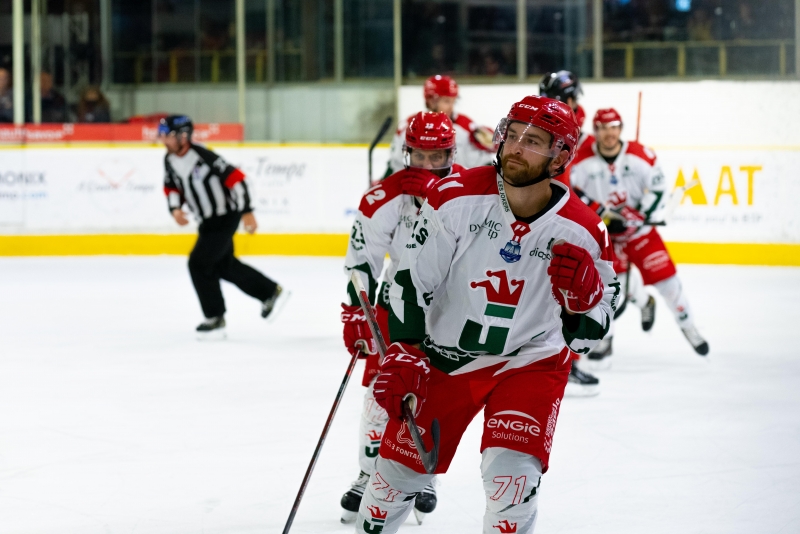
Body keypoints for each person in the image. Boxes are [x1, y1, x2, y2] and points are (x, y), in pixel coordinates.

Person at [354, 96, 618, 534]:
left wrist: (583, 301)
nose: (515, 147)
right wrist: (403, 350)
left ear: (562, 157)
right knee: (385, 497)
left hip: (528, 362)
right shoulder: (454, 197)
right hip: (442, 357)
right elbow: (409, 281)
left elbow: (589, 336)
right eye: (512, 134)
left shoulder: (585, 229)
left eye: (532, 141)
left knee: (510, 485)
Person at [340, 111, 465, 525]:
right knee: (380, 393)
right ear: (405, 151)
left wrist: (438, 197)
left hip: (451, 309)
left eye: (437, 156)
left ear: (452, 153)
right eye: (419, 155)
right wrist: (357, 310)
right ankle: (366, 471)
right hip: (397, 306)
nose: (427, 165)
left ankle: (422, 475)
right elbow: (362, 260)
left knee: (433, 393)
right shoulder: (383, 197)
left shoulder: (472, 193)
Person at [568, 108, 709, 368]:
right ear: (595, 131)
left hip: (642, 234)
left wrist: (641, 213)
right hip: (608, 237)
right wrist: (600, 211)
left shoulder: (641, 155)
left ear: (620, 128)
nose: (609, 133)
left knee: (669, 284)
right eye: (603, 127)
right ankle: (605, 338)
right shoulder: (581, 160)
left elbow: (657, 188)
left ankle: (689, 327)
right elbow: (570, 190)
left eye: (614, 127)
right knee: (608, 291)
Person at [160, 115, 287, 338]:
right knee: (223, 266)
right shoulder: (169, 160)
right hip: (207, 222)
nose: (163, 140)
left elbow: (238, 180)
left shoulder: (204, 156)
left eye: (168, 135)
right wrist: (175, 209)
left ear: (183, 136)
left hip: (226, 217)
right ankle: (269, 291)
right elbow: (171, 187)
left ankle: (215, 317)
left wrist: (247, 211)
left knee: (198, 264)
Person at [386, 75, 494, 175]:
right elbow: (395, 165)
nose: (451, 107)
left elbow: (484, 165)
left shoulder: (465, 125)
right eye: (447, 101)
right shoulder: (410, 126)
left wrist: (495, 144)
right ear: (431, 101)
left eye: (453, 102)